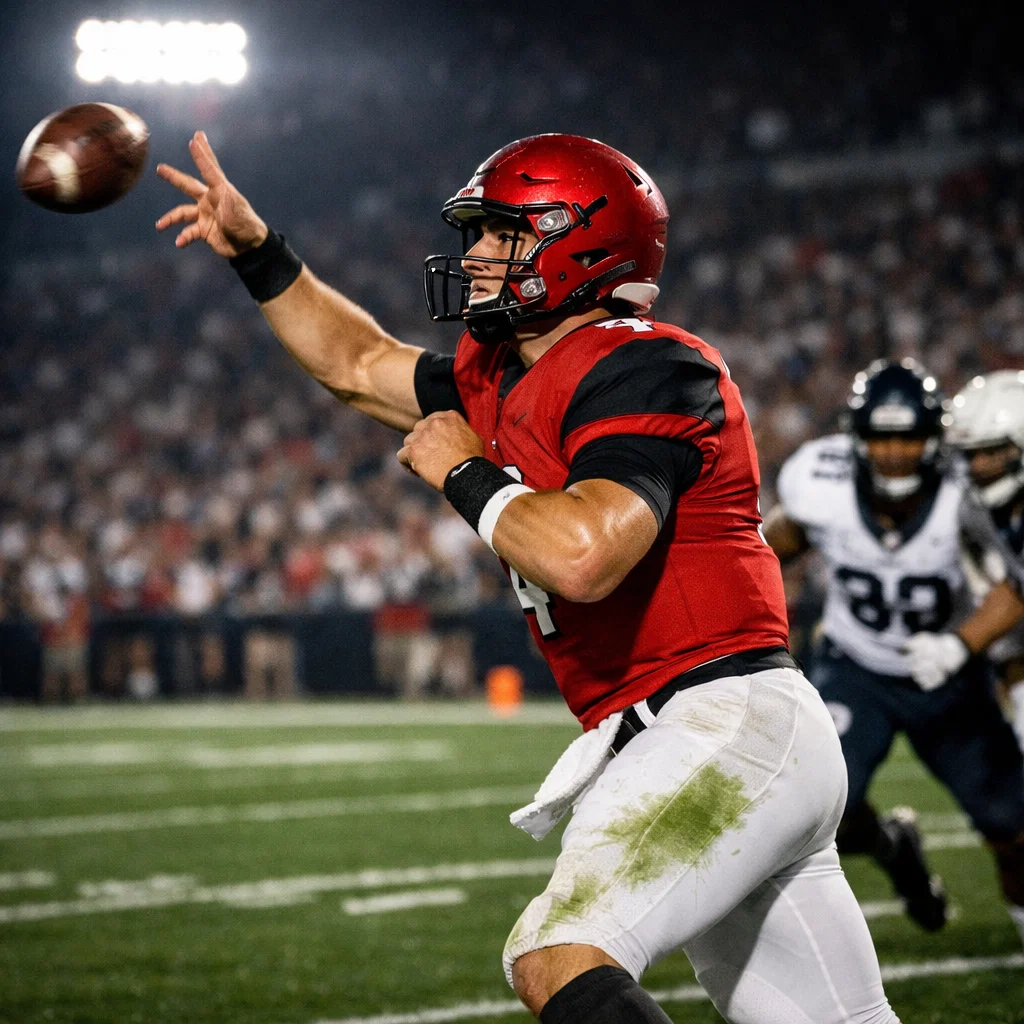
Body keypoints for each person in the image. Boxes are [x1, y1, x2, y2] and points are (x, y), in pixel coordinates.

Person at [157, 131, 897, 1024]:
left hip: (722, 716)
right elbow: (355, 364)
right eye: (475, 232)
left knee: (559, 955)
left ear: (581, 244)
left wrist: (467, 474)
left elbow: (586, 557)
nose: (474, 254)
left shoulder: (644, 362)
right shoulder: (502, 372)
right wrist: (258, 251)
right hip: (718, 731)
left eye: (502, 234)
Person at [765, 360, 1024, 950]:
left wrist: (960, 645)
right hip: (855, 668)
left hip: (950, 677)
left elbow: (1015, 583)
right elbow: (764, 551)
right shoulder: (822, 482)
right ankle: (891, 846)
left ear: (936, 439)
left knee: (1013, 832)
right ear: (856, 438)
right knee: (818, 810)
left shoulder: (968, 487)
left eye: (909, 438)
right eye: (881, 438)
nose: (895, 453)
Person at [904, 370, 1024, 945]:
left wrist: (961, 645)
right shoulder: (975, 505)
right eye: (971, 454)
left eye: (990, 453)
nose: (976, 466)